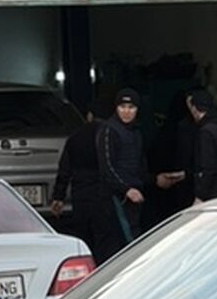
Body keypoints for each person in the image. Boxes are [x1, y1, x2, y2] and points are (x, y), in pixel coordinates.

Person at [95, 87, 149, 261]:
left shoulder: (136, 132)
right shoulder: (109, 131)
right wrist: (126, 189)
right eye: (122, 107)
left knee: (134, 236)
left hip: (134, 195)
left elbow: (139, 165)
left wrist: (153, 180)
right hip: (116, 198)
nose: (126, 112)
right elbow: (107, 167)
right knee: (125, 242)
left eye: (131, 107)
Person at [50, 107, 102, 252]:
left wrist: (58, 196)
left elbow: (65, 169)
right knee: (105, 237)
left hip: (81, 193)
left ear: (89, 115)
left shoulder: (76, 137)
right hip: (105, 194)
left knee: (84, 237)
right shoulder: (111, 135)